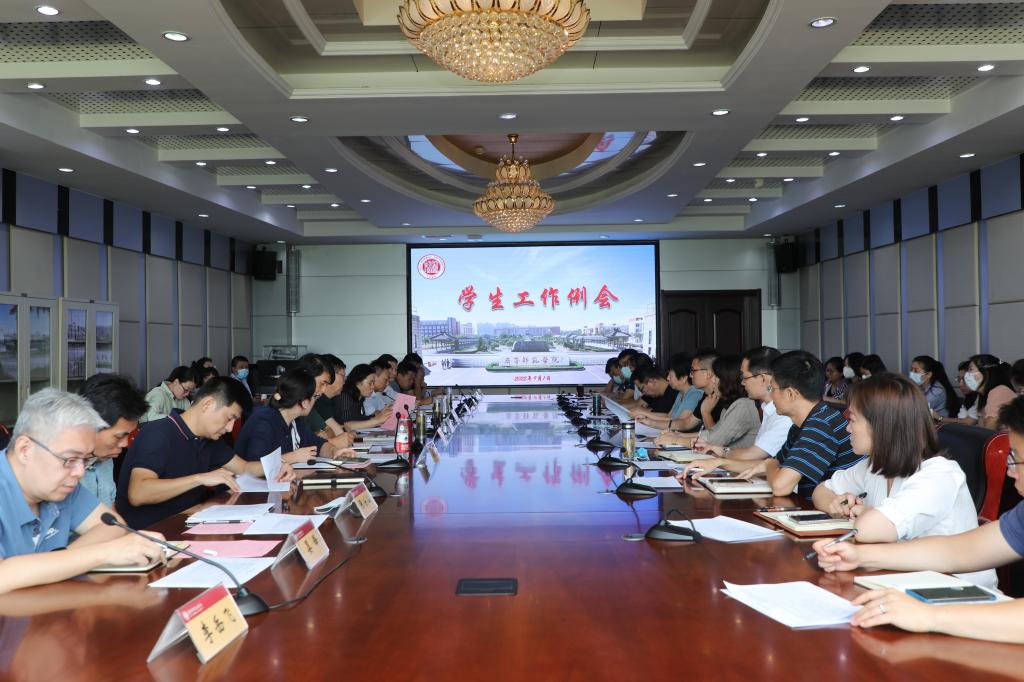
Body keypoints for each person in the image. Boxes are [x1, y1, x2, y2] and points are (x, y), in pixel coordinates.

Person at [812, 395, 1024, 641]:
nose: (1010, 471)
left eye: (1015, 457)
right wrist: (860, 556)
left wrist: (929, 615)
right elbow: (958, 551)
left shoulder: (938, 472)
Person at [810, 374, 993, 587]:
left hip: (954, 590)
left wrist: (866, 513)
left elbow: (868, 530)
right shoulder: (874, 465)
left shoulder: (938, 475)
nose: (847, 428)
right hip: (902, 578)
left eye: (853, 420)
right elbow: (820, 491)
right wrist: (836, 505)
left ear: (881, 426)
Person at [0, 389, 165, 594]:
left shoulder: (61, 486)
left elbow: (113, 526)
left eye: (85, 460)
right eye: (70, 459)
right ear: (25, 449)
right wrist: (103, 553)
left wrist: (59, 563)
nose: (79, 472)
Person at [116, 377, 294, 529]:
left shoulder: (208, 438)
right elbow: (138, 493)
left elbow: (244, 467)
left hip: (189, 524)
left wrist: (277, 466)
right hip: (152, 533)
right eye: (229, 418)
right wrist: (199, 478)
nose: (230, 428)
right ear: (208, 404)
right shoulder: (159, 433)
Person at [714, 351, 863, 497]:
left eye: (772, 388)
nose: (771, 395)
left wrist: (770, 465)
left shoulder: (821, 425)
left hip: (836, 510)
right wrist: (717, 463)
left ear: (790, 394)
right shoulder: (803, 424)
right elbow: (771, 464)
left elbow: (780, 486)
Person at [680, 347, 792, 473]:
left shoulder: (783, 415)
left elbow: (754, 455)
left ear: (763, 379)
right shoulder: (767, 409)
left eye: (745, 377)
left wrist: (720, 457)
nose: (742, 383)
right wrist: (718, 452)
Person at [234, 369, 354, 464]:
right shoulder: (264, 422)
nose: (315, 401)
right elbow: (254, 464)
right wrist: (293, 457)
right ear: (305, 403)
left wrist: (335, 452)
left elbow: (318, 444)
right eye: (315, 397)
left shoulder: (295, 421)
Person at [657, 355, 759, 450]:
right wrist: (679, 435)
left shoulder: (743, 405)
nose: (712, 380)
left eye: (716, 377)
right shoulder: (729, 405)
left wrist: (676, 440)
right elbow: (712, 433)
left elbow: (714, 441)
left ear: (728, 380)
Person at [77, 374, 150, 507]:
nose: (125, 444)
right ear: (90, 423)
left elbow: (109, 509)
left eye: (129, 435)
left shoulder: (105, 459)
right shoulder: (59, 469)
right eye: (119, 436)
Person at [634, 353, 703, 431]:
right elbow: (668, 416)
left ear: (683, 378)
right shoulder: (681, 393)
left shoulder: (695, 394)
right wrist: (645, 416)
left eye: (670, 375)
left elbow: (680, 423)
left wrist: (649, 420)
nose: (667, 378)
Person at [334, 364, 390, 430]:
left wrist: (377, 415)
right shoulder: (345, 396)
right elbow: (347, 424)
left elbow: (358, 419)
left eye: (373, 383)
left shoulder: (360, 398)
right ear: (357, 382)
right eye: (370, 383)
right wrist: (377, 420)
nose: (373, 387)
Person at [967, 354, 1016, 430]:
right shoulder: (981, 395)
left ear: (986, 372)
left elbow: (988, 430)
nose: (967, 375)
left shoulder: (999, 391)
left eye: (971, 369)